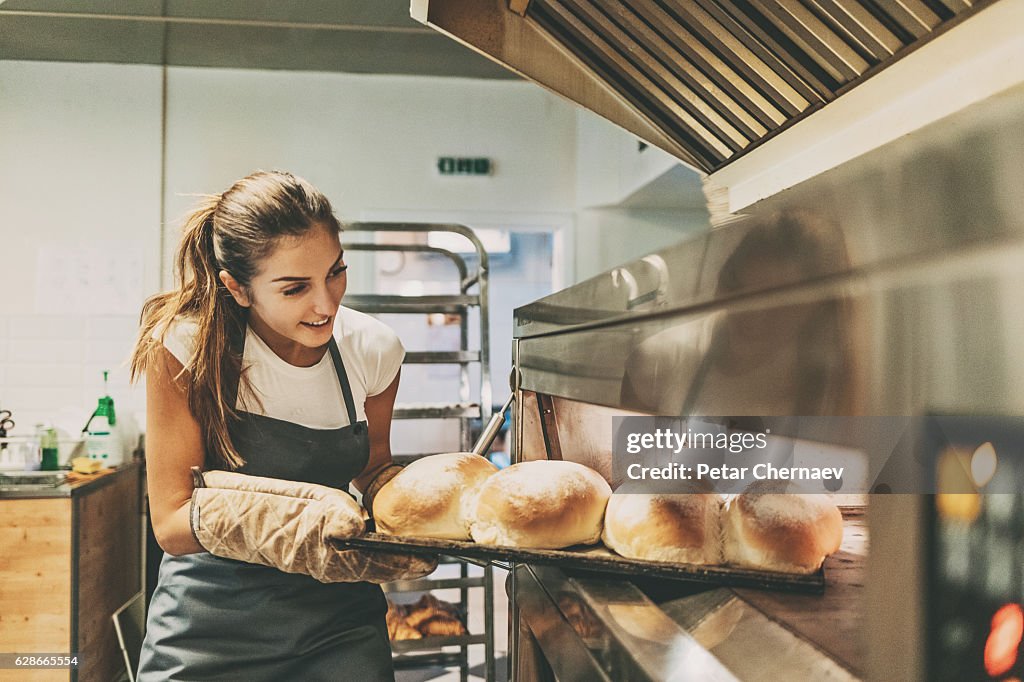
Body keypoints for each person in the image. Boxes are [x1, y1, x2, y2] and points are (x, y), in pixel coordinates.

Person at [130, 170, 433, 680]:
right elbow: (172, 523)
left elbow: (373, 469)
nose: (327, 303)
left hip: (339, 624)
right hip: (210, 624)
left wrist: (430, 509)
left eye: (335, 272)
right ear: (237, 287)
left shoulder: (373, 349)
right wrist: (297, 525)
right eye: (295, 288)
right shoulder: (186, 349)